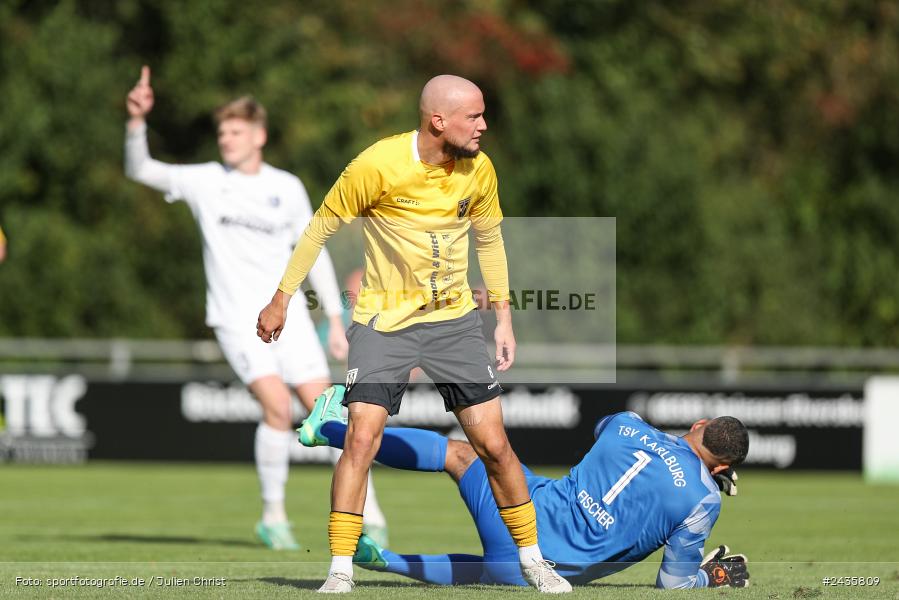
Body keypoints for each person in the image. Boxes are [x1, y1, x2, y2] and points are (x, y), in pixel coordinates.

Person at [257, 74, 571, 593]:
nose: (484, 125)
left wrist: (505, 319)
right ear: (438, 121)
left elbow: (490, 242)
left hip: (455, 325)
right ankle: (339, 570)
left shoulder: (480, 169)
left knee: (494, 446)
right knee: (361, 438)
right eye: (474, 116)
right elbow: (319, 228)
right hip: (384, 324)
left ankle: (534, 561)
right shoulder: (376, 164)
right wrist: (281, 299)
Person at [123, 66, 388, 550]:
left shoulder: (285, 187)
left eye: (236, 130)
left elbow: (315, 248)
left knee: (331, 415)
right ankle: (274, 517)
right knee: (277, 407)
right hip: (236, 320)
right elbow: (140, 169)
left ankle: (368, 517)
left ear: (259, 135)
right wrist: (137, 123)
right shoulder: (204, 180)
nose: (226, 138)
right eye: (221, 131)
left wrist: (333, 318)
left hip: (289, 318)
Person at [300, 386, 751, 590]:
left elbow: (605, 432)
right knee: (489, 573)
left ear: (698, 424)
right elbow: (672, 584)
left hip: (522, 516)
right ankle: (390, 563)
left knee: (459, 455)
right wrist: (707, 576)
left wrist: (669, 447)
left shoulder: (629, 424)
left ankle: (331, 430)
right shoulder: (703, 499)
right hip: (540, 571)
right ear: (723, 467)